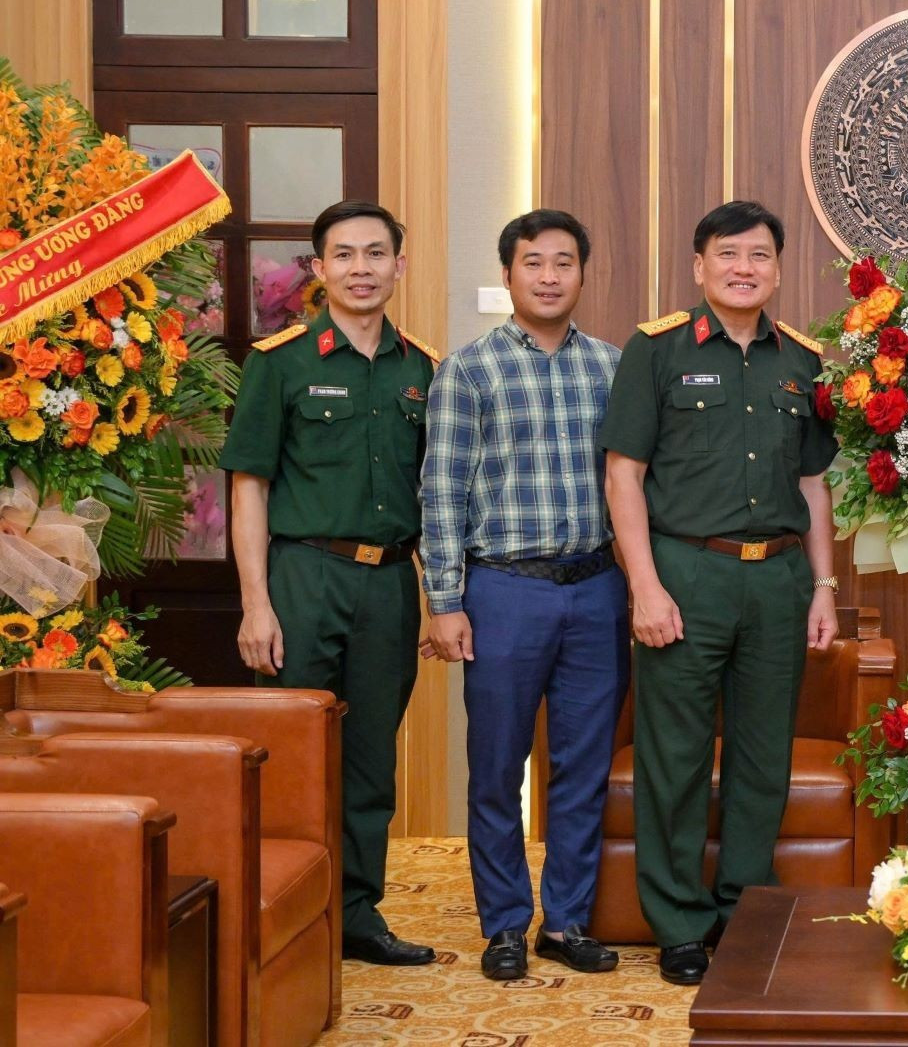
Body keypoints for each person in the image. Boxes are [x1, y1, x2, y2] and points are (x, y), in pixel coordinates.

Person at [599, 201, 840, 987]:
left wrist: (824, 587)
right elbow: (624, 475)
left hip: (777, 577)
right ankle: (678, 923)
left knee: (762, 756)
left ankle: (744, 914)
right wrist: (644, 586)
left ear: (777, 268)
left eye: (760, 255)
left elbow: (812, 484)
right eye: (728, 254)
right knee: (673, 756)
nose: (745, 268)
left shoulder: (803, 361)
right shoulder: (657, 349)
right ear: (699, 266)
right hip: (684, 574)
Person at [220, 200, 439, 965]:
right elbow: (248, 485)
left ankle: (355, 914)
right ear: (319, 269)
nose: (361, 269)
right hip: (302, 575)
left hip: (387, 584)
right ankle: (279, 910)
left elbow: (438, 494)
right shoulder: (279, 361)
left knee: (370, 755)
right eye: (343, 255)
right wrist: (256, 602)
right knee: (287, 750)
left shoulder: (423, 368)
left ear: (398, 267)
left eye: (376, 254)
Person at [419, 210, 626, 981]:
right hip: (504, 590)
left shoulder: (611, 367)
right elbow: (440, 492)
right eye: (533, 263)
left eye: (563, 263)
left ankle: (566, 920)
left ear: (582, 273)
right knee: (496, 765)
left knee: (583, 767)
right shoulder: (467, 369)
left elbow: (633, 485)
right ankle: (504, 923)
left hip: (597, 588)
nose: (548, 276)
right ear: (508, 274)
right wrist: (445, 600)